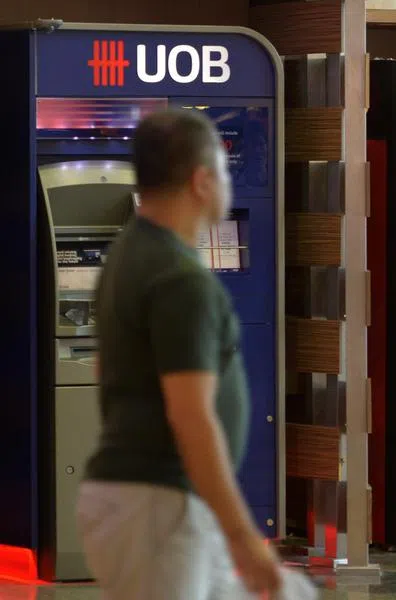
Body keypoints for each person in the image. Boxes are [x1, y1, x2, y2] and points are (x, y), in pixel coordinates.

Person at [76, 110, 284, 599]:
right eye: (225, 172)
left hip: (151, 499)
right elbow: (192, 416)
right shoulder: (179, 278)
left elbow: (107, 371)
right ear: (202, 181)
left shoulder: (126, 256)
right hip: (159, 503)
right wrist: (243, 537)